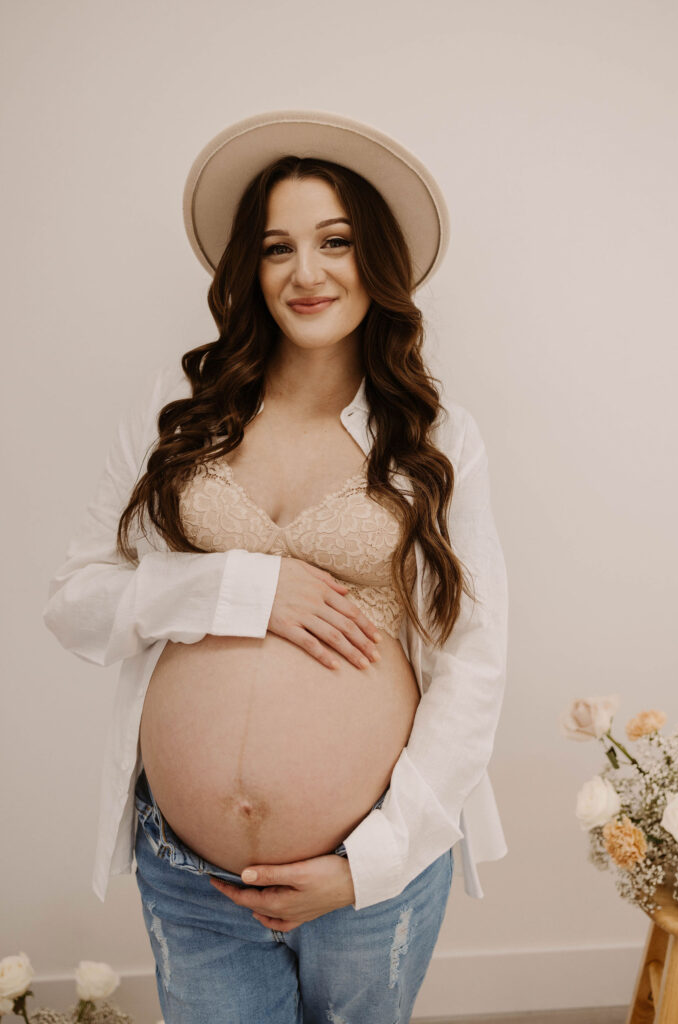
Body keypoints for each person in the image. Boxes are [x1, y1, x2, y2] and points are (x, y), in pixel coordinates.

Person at [43, 110, 509, 1024]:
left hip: (367, 877)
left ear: (373, 257)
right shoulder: (179, 411)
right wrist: (236, 587)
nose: (306, 272)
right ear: (245, 271)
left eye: (334, 241)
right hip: (191, 878)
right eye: (275, 247)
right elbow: (74, 602)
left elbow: (474, 663)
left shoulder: (433, 436)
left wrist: (363, 864)